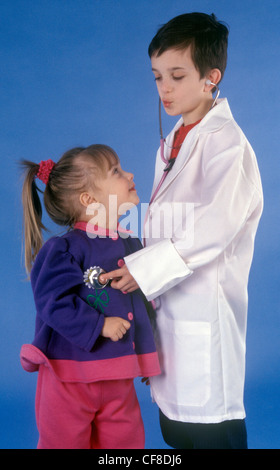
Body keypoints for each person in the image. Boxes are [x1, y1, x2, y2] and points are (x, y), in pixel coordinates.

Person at [100, 13, 263, 449]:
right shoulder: (177, 138)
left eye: (176, 75)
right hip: (171, 314)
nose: (164, 89)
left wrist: (144, 268)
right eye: (157, 77)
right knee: (176, 430)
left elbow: (214, 226)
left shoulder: (227, 144)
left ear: (212, 77)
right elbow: (170, 219)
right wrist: (107, 223)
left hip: (204, 317)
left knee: (210, 433)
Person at [19, 144, 160, 449]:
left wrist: (146, 357)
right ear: (89, 200)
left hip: (118, 377)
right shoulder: (66, 248)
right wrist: (100, 325)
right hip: (69, 376)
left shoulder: (129, 243)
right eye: (116, 171)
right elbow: (51, 302)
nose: (130, 174)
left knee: (126, 444)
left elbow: (141, 302)